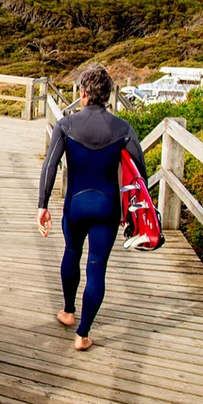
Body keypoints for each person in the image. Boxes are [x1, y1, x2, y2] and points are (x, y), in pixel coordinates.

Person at [36, 64, 147, 351]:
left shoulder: (66, 125)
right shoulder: (124, 129)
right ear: (108, 96)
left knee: (71, 252)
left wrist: (42, 205)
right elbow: (141, 176)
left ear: (83, 94)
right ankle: (83, 335)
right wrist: (135, 214)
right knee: (97, 266)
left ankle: (68, 312)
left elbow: (49, 166)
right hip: (107, 209)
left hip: (75, 205)